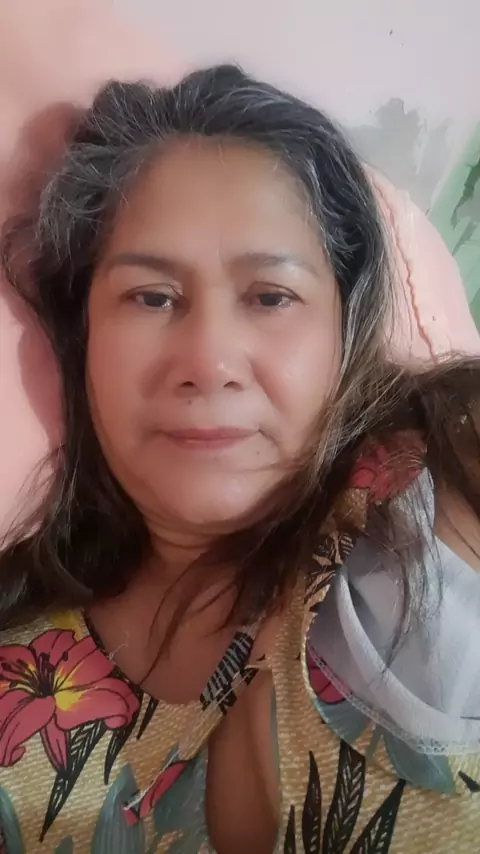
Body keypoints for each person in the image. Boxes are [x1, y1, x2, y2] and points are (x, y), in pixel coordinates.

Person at [0, 65, 479, 854]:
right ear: (82, 338)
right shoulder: (20, 666)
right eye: (152, 297)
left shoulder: (435, 475)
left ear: (344, 329)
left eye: (270, 296)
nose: (210, 361)